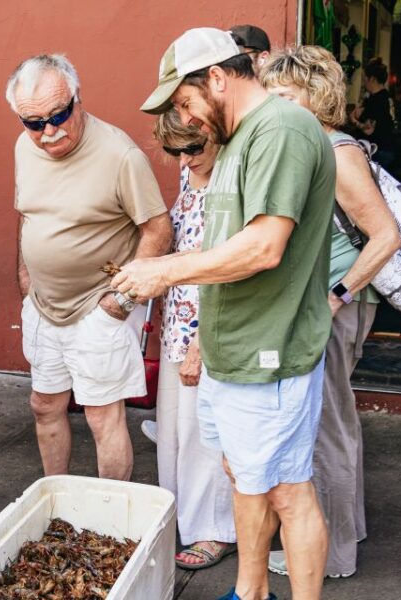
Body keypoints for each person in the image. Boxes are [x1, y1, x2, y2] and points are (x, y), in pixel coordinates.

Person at [128, 28, 336, 600]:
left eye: (186, 103)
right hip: (233, 350)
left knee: (288, 492)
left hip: (272, 356)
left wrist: (164, 270)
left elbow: (266, 246)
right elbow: (227, 242)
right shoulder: (243, 135)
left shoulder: (283, 130)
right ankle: (249, 593)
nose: (187, 119)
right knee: (246, 479)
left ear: (217, 78)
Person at [261, 45, 400, 580]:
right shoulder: (308, 143)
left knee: (327, 428)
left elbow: (384, 236)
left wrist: (335, 295)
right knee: (333, 424)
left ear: (314, 98)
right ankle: (346, 531)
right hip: (329, 306)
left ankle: (334, 553)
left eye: (284, 96)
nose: (273, 106)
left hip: (336, 308)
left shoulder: (337, 151)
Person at [7, 54, 173, 482]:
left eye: (59, 114)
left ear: (78, 99)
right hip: (43, 306)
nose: (49, 131)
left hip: (97, 309)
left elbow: (157, 229)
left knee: (103, 416)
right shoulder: (25, 146)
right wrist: (26, 278)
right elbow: (27, 215)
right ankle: (57, 500)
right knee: (44, 406)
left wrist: (120, 301)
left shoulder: (120, 155)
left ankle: (110, 518)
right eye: (33, 121)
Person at [150, 110, 237, 571]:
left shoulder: (229, 181)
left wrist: (201, 342)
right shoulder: (192, 176)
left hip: (208, 323)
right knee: (175, 431)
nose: (184, 158)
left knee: (205, 433)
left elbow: (227, 268)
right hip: (176, 320)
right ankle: (180, 517)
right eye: (175, 150)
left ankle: (214, 530)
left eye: (192, 147)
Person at [349, 57, 395, 168]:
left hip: (379, 151)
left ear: (372, 79)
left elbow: (368, 130)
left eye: (365, 79)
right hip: (385, 149)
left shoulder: (377, 100)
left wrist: (354, 121)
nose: (364, 83)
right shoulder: (383, 97)